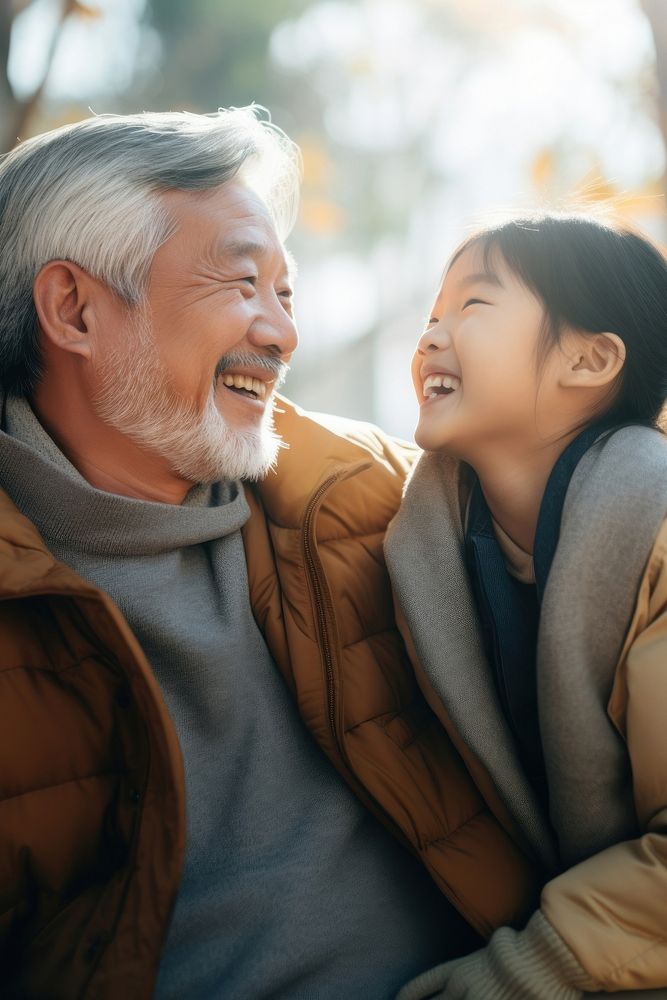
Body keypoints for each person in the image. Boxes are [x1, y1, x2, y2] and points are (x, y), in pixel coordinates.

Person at [0, 109, 541, 1000]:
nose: (282, 334)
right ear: (74, 309)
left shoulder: (376, 499)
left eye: (285, 294)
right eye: (242, 282)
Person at [385, 212, 667, 999]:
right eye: (430, 315)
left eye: (471, 306)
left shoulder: (658, 530)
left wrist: (522, 974)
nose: (430, 337)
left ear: (589, 358)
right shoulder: (431, 538)